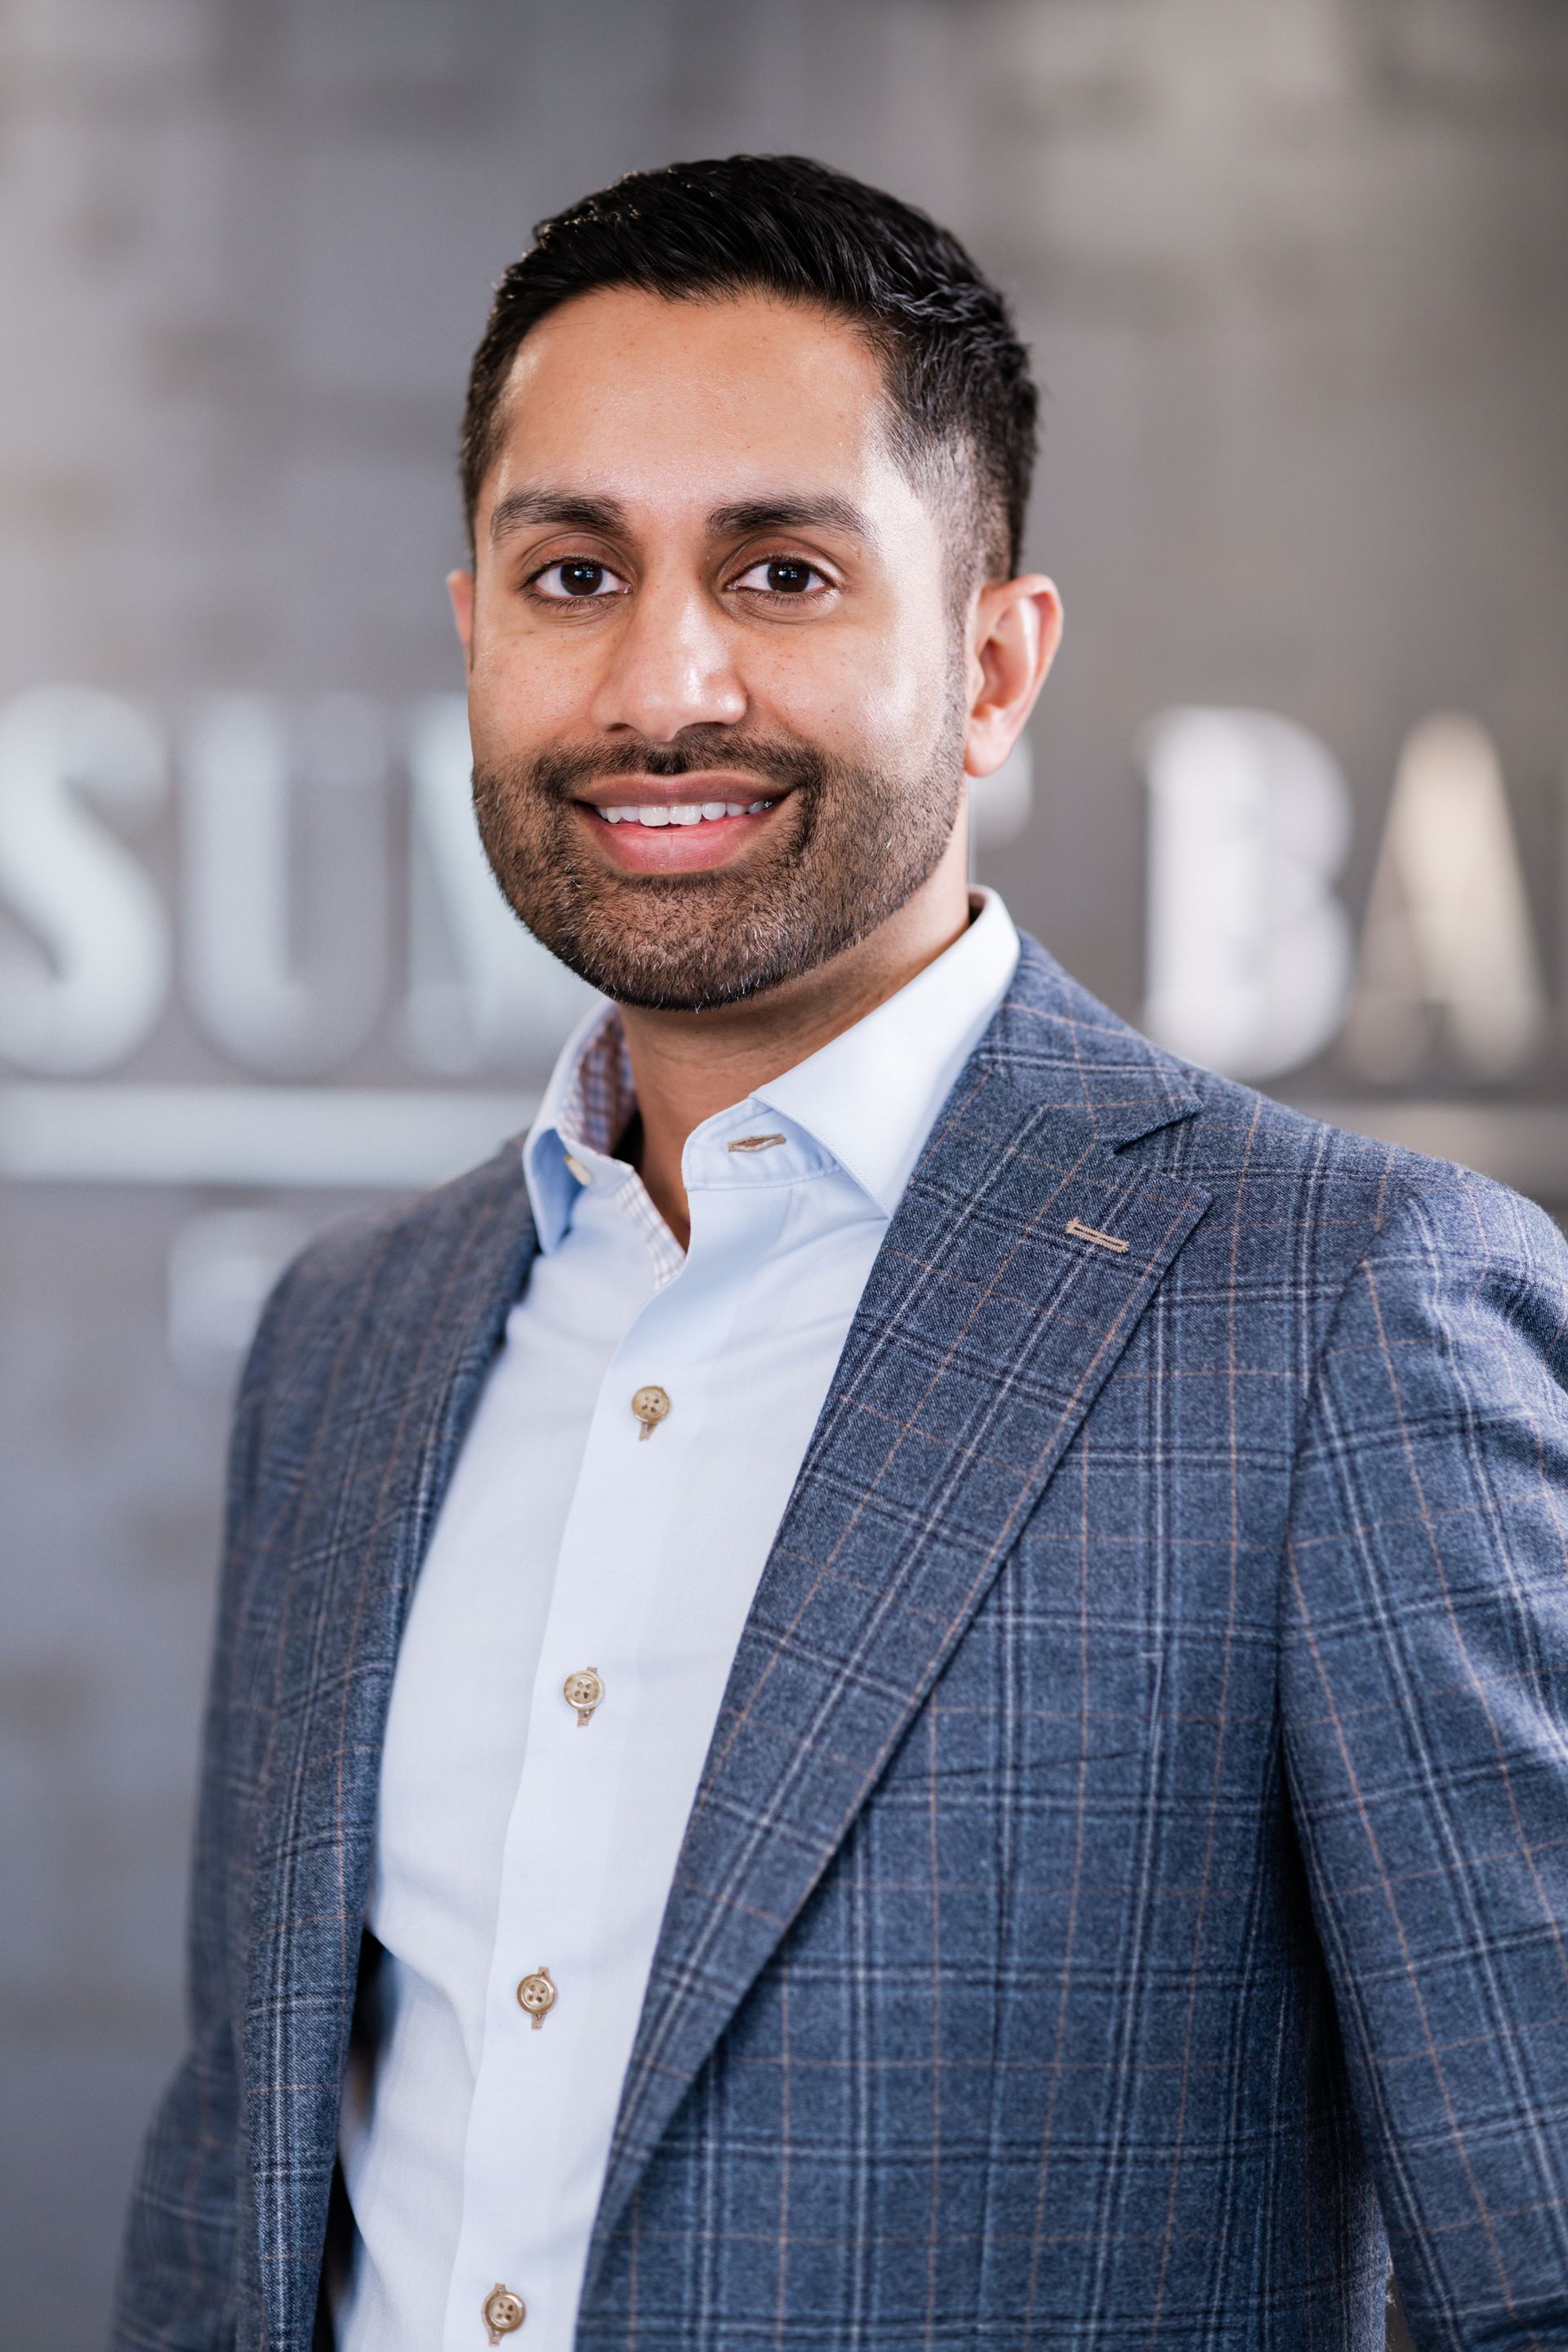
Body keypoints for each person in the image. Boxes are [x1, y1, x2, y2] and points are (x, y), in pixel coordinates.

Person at [113, 155, 1568, 2352]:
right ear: (476, 632)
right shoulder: (351, 1338)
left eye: (783, 570)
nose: (661, 680)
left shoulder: (1346, 1311)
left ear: (993, 663)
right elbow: (245, 2180)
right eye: (575, 570)